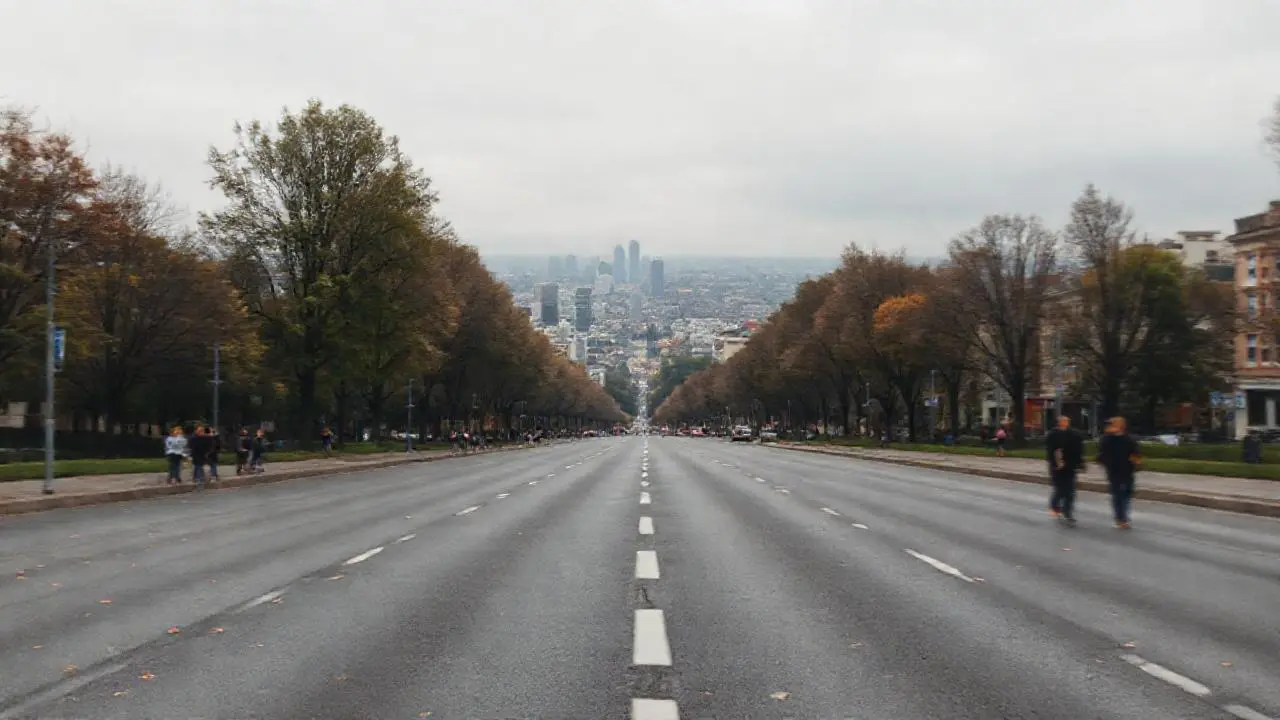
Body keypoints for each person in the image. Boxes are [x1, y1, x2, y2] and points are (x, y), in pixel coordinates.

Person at [1096, 416, 1141, 529]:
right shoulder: (1106, 439)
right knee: (1117, 495)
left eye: (1114, 424)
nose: (1111, 427)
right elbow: (1101, 454)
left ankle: (1123, 515)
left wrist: (1136, 461)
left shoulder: (1129, 439)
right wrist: (1107, 463)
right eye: (1111, 424)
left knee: (1127, 493)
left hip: (1128, 470)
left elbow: (1135, 452)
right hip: (1114, 471)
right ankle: (1121, 518)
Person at [1045, 415, 1084, 525]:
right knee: (1060, 488)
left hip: (1070, 466)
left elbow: (1078, 450)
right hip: (1057, 466)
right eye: (1062, 421)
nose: (1065, 423)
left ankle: (1068, 511)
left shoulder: (1074, 434)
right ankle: (1055, 505)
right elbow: (1050, 450)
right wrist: (1055, 462)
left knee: (1070, 491)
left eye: (1066, 421)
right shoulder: (1053, 434)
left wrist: (1080, 462)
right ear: (1058, 422)